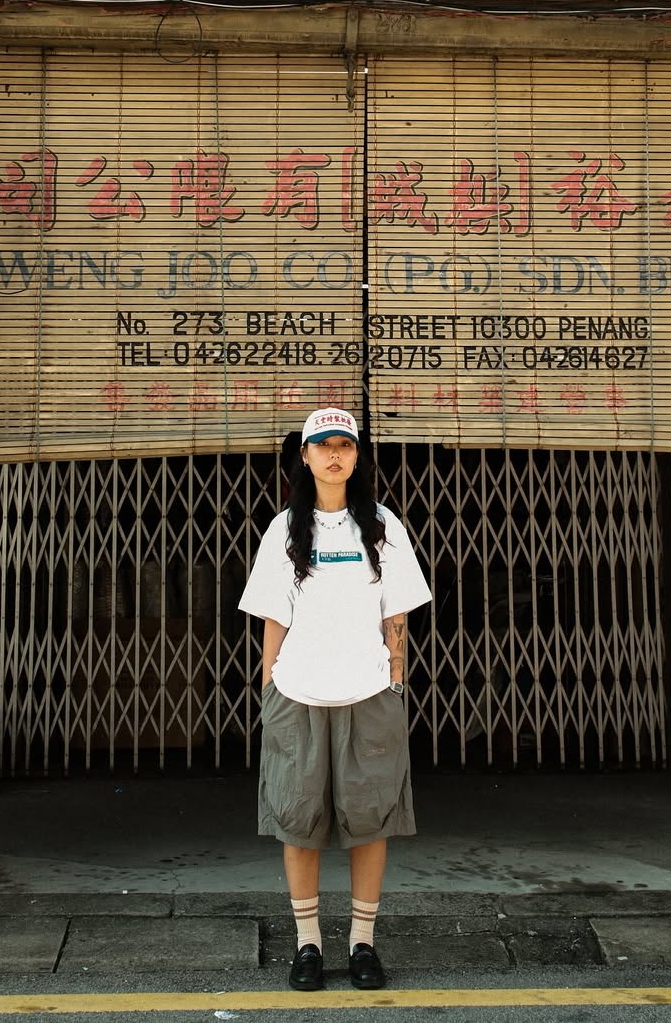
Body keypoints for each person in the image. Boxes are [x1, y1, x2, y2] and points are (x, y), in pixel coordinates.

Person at [239, 406, 431, 992]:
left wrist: (394, 680)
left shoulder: (382, 526)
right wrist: (269, 688)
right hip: (297, 694)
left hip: (369, 693)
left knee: (369, 821)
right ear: (304, 455)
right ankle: (309, 945)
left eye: (344, 444)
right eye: (322, 444)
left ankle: (362, 943)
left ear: (357, 456)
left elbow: (396, 614)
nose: (333, 454)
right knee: (298, 821)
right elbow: (273, 618)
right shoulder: (283, 530)